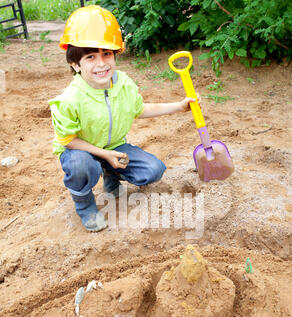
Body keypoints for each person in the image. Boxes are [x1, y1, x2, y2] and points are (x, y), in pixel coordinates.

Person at [48, 5, 197, 232]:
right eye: (90, 57)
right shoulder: (69, 99)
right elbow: (67, 140)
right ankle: (85, 205)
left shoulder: (123, 84)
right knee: (80, 164)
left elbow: (140, 109)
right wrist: (104, 154)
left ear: (115, 54)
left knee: (153, 170)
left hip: (115, 146)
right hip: (81, 152)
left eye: (106, 54)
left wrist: (179, 106)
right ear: (75, 64)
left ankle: (111, 172)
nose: (101, 63)